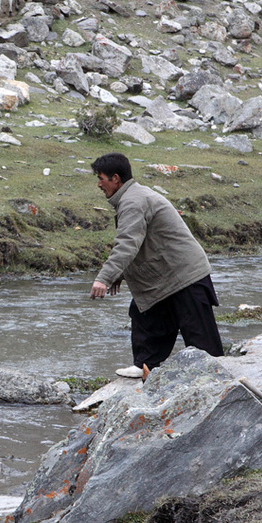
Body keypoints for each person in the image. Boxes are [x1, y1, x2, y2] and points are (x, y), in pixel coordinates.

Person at [88, 153, 224, 378]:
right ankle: (144, 365)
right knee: (145, 312)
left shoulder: (132, 201)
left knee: (202, 341)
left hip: (184, 275)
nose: (98, 184)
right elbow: (139, 242)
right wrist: (119, 274)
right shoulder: (132, 196)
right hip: (165, 275)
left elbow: (127, 243)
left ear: (115, 178)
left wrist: (104, 278)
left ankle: (216, 381)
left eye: (101, 178)